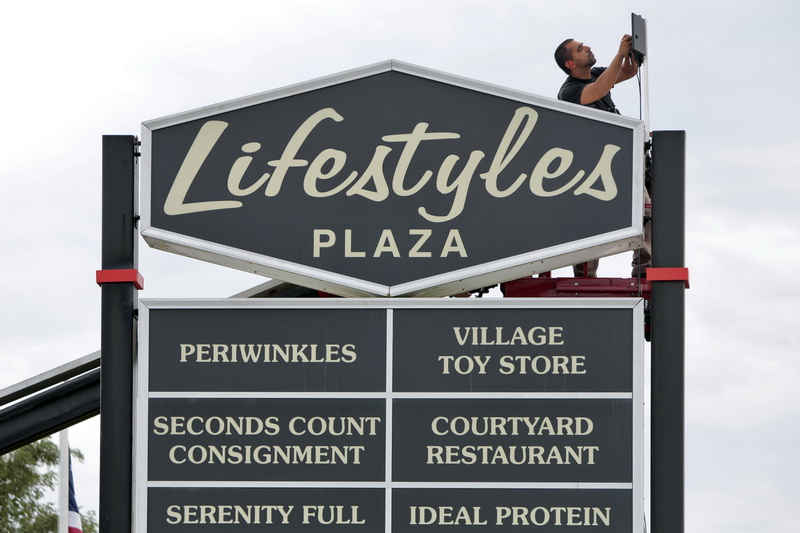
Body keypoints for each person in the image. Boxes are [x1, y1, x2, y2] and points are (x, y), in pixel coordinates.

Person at [554, 35, 651, 278]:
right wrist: (619, 55)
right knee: (593, 221)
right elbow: (599, 90)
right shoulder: (569, 91)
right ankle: (584, 277)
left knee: (647, 211)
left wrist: (632, 54)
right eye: (579, 49)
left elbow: (626, 72)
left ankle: (643, 271)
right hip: (594, 166)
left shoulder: (597, 73)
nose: (586, 47)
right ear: (570, 64)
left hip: (622, 158)